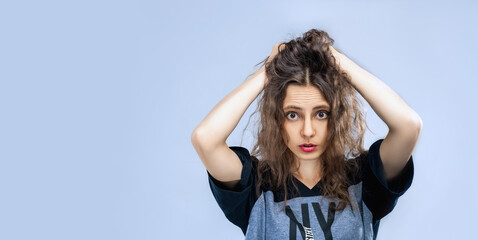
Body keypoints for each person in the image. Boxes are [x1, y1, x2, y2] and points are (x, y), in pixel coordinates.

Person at [191, 29, 422, 240]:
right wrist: (267, 71)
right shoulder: (257, 189)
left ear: (337, 118)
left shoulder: (363, 181)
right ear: (276, 119)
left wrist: (336, 58)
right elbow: (205, 139)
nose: (308, 131)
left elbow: (408, 126)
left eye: (321, 114)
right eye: (293, 115)